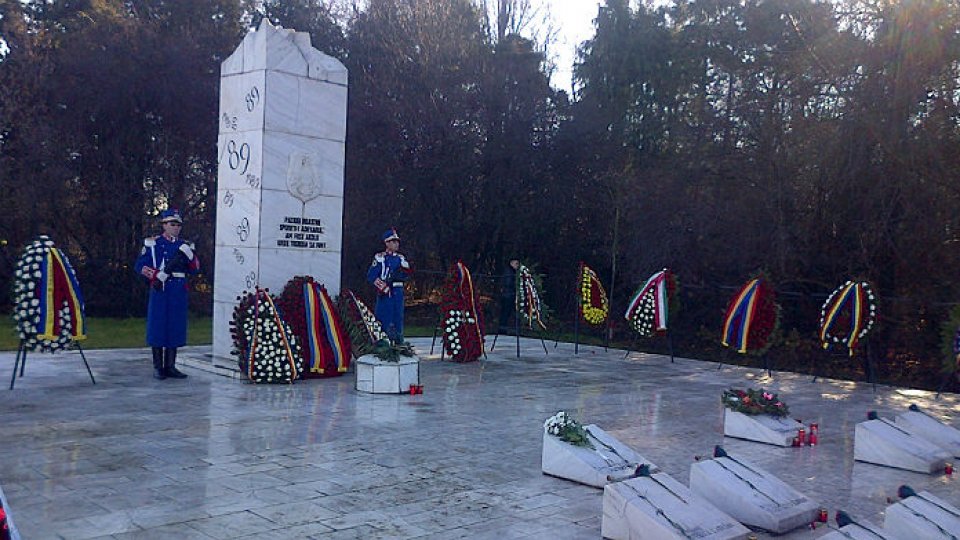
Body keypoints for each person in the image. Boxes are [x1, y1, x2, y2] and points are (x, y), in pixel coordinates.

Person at [134, 209, 200, 380]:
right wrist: (156, 275)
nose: (176, 227)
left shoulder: (184, 245)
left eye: (178, 225)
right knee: (158, 326)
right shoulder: (153, 244)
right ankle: (158, 367)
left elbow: (194, 269)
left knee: (175, 326)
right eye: (172, 224)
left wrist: (190, 255)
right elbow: (140, 265)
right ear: (164, 225)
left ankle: (170, 366)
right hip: (161, 289)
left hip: (178, 289)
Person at [366, 229, 411, 343]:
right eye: (393, 241)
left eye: (397, 241)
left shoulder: (401, 258)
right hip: (385, 294)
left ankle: (399, 343)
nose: (397, 244)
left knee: (398, 318)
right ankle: (382, 343)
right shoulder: (380, 258)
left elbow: (406, 275)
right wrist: (383, 287)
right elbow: (371, 276)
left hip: (398, 293)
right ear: (387, 243)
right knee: (384, 318)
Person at [499, 258, 520, 332]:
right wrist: (515, 286)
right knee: (505, 312)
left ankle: (503, 328)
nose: (517, 265)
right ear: (511, 263)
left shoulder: (511, 271)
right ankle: (502, 329)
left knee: (506, 312)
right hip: (508, 295)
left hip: (508, 294)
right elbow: (508, 283)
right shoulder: (509, 271)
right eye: (516, 263)